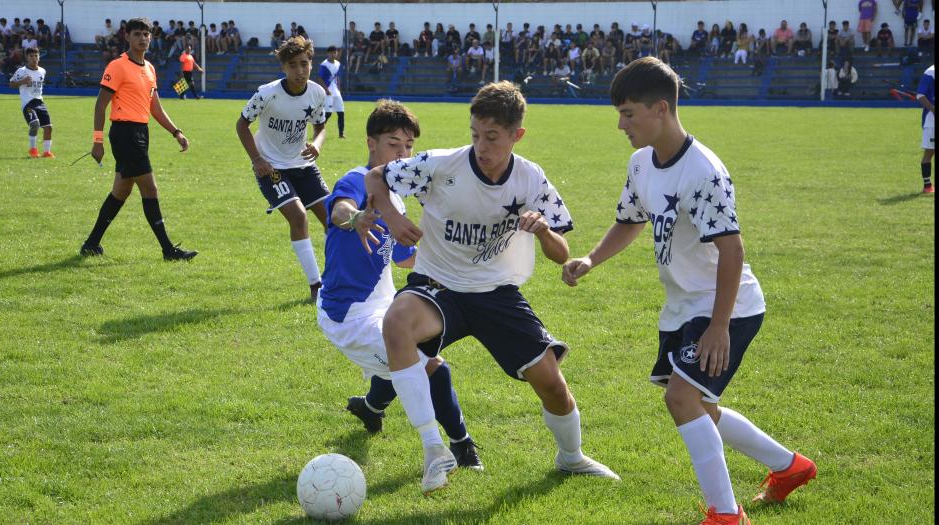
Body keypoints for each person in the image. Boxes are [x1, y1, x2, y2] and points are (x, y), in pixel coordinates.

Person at [564, 56, 816, 525]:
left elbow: (733, 252)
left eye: (628, 113)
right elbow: (629, 221)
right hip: (684, 306)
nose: (621, 124)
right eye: (619, 113)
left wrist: (719, 326)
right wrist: (591, 259)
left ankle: (725, 515)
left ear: (661, 108)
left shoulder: (703, 172)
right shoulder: (641, 163)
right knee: (700, 406)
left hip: (728, 305)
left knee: (680, 399)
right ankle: (791, 468)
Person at [362, 81, 619, 495]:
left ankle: (571, 458)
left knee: (552, 384)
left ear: (517, 135)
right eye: (475, 134)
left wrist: (544, 232)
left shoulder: (531, 178)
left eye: (493, 137)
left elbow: (561, 251)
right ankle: (434, 450)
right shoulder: (442, 165)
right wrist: (392, 216)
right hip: (438, 285)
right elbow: (377, 177)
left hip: (496, 292)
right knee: (397, 323)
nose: (481, 145)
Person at [317, 99, 482, 470]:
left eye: (408, 147)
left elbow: (404, 257)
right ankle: (461, 445)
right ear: (371, 143)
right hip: (348, 317)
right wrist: (356, 217)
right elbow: (341, 207)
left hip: (385, 304)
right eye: (394, 144)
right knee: (431, 366)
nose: (402, 154)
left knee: (403, 350)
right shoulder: (357, 181)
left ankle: (371, 407)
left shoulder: (395, 198)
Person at [82, 17, 196, 262]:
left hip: (140, 133)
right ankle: (168, 250)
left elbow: (155, 108)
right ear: (127, 36)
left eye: (146, 34)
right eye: (137, 34)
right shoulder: (117, 66)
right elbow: (100, 105)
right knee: (150, 188)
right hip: (125, 134)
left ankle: (91, 244)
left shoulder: (150, 68)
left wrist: (176, 132)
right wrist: (97, 140)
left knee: (121, 192)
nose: (143, 38)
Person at [236, 36, 329, 301]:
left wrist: (318, 144)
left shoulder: (317, 93)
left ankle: (338, 278)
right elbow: (241, 125)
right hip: (271, 167)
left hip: (303, 164)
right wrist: (257, 160)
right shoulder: (267, 93)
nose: (300, 71)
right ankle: (316, 286)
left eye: (304, 64)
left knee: (333, 220)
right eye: (293, 65)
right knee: (298, 217)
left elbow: (320, 126)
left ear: (311, 63)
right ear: (284, 68)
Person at [8, 47, 53, 159]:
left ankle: (47, 152)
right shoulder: (21, 71)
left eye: (36, 56)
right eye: (31, 56)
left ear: (39, 57)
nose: (34, 58)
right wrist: (22, 82)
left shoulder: (42, 71)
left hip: (39, 102)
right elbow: (11, 84)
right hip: (28, 103)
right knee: (35, 124)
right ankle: (33, 150)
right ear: (27, 58)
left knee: (48, 127)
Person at [319, 46, 346, 138]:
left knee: (341, 112)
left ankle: (341, 134)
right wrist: (326, 90)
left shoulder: (338, 64)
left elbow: (337, 77)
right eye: (332, 53)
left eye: (335, 52)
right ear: (328, 53)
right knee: (328, 113)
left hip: (336, 91)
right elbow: (319, 78)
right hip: (328, 91)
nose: (334, 54)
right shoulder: (324, 64)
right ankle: (319, 130)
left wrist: (338, 88)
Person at [917, 64, 935, 193]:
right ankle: (927, 186)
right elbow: (920, 96)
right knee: (929, 152)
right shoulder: (930, 72)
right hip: (931, 121)